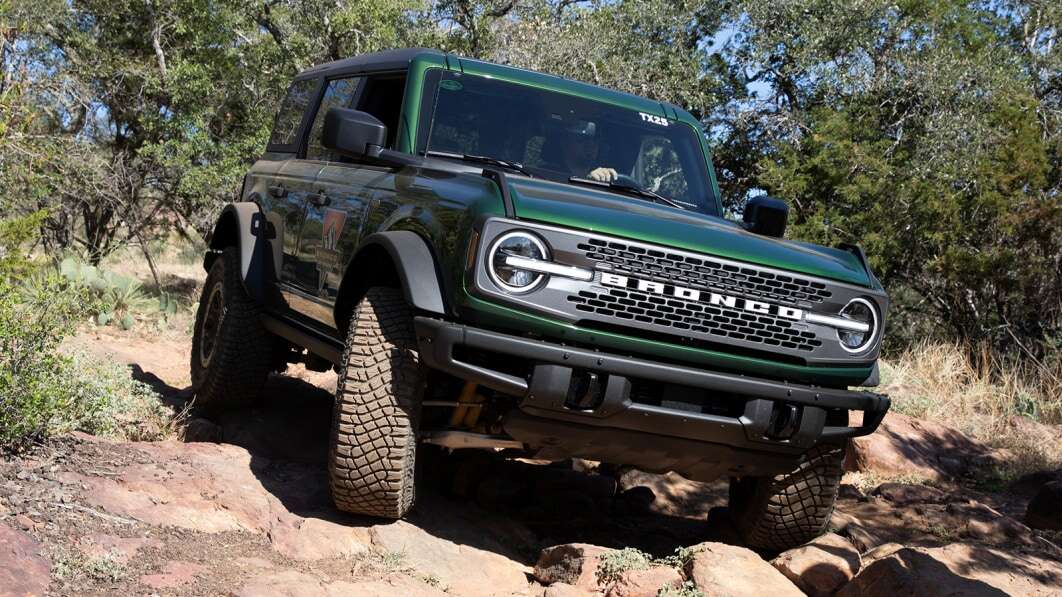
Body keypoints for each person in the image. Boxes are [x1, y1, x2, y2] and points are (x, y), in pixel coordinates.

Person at [544, 120, 619, 182]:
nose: (590, 145)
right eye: (582, 139)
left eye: (595, 140)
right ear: (565, 143)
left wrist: (603, 179)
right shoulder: (545, 176)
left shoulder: (604, 177)